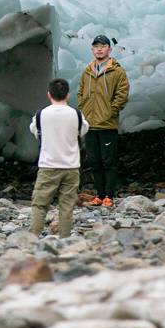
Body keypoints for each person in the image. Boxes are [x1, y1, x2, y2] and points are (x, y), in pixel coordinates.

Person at [28, 78, 89, 237]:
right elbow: (83, 131)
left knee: (40, 205)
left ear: (49, 95)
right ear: (68, 95)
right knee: (67, 206)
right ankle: (65, 238)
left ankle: (33, 237)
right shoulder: (76, 114)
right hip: (71, 167)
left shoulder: (41, 115)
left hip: (48, 166)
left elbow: (35, 131)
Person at [77, 34, 130, 207]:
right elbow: (81, 92)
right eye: (96, 46)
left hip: (107, 125)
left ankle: (109, 196)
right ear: (92, 49)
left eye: (103, 46)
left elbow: (122, 95)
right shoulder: (88, 71)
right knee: (94, 161)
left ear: (109, 49)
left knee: (109, 161)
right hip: (90, 125)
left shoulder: (117, 71)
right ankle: (99, 195)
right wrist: (84, 108)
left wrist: (111, 111)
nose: (99, 49)